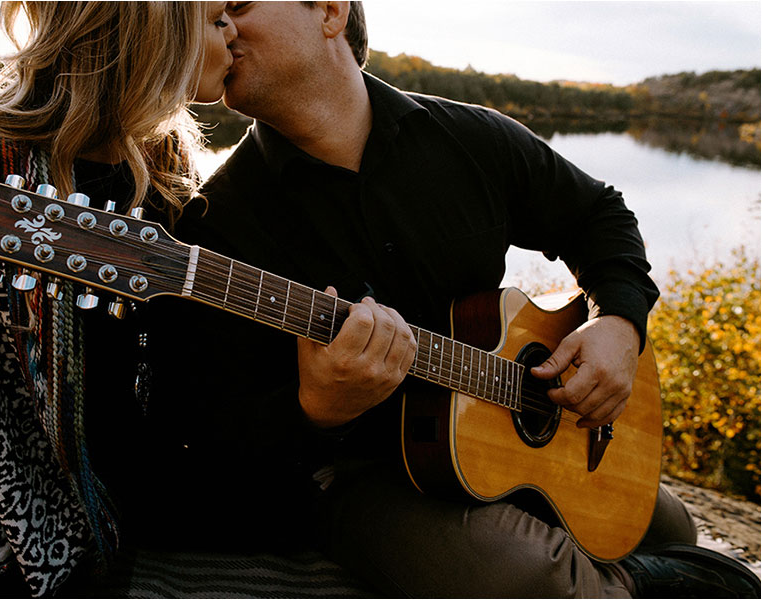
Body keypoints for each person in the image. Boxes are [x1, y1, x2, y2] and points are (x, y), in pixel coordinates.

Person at [170, 1, 761, 597]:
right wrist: (317, 409)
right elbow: (207, 427)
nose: (220, 28)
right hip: (365, 475)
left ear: (328, 12)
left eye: (238, 5)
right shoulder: (220, 224)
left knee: (668, 522)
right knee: (534, 575)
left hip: (519, 432)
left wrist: (619, 324)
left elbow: (597, 214)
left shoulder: (469, 138)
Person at [0, 2, 236, 596]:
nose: (233, 29)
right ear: (157, 31)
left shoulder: (161, 159)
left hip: (125, 495)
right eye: (215, 17)